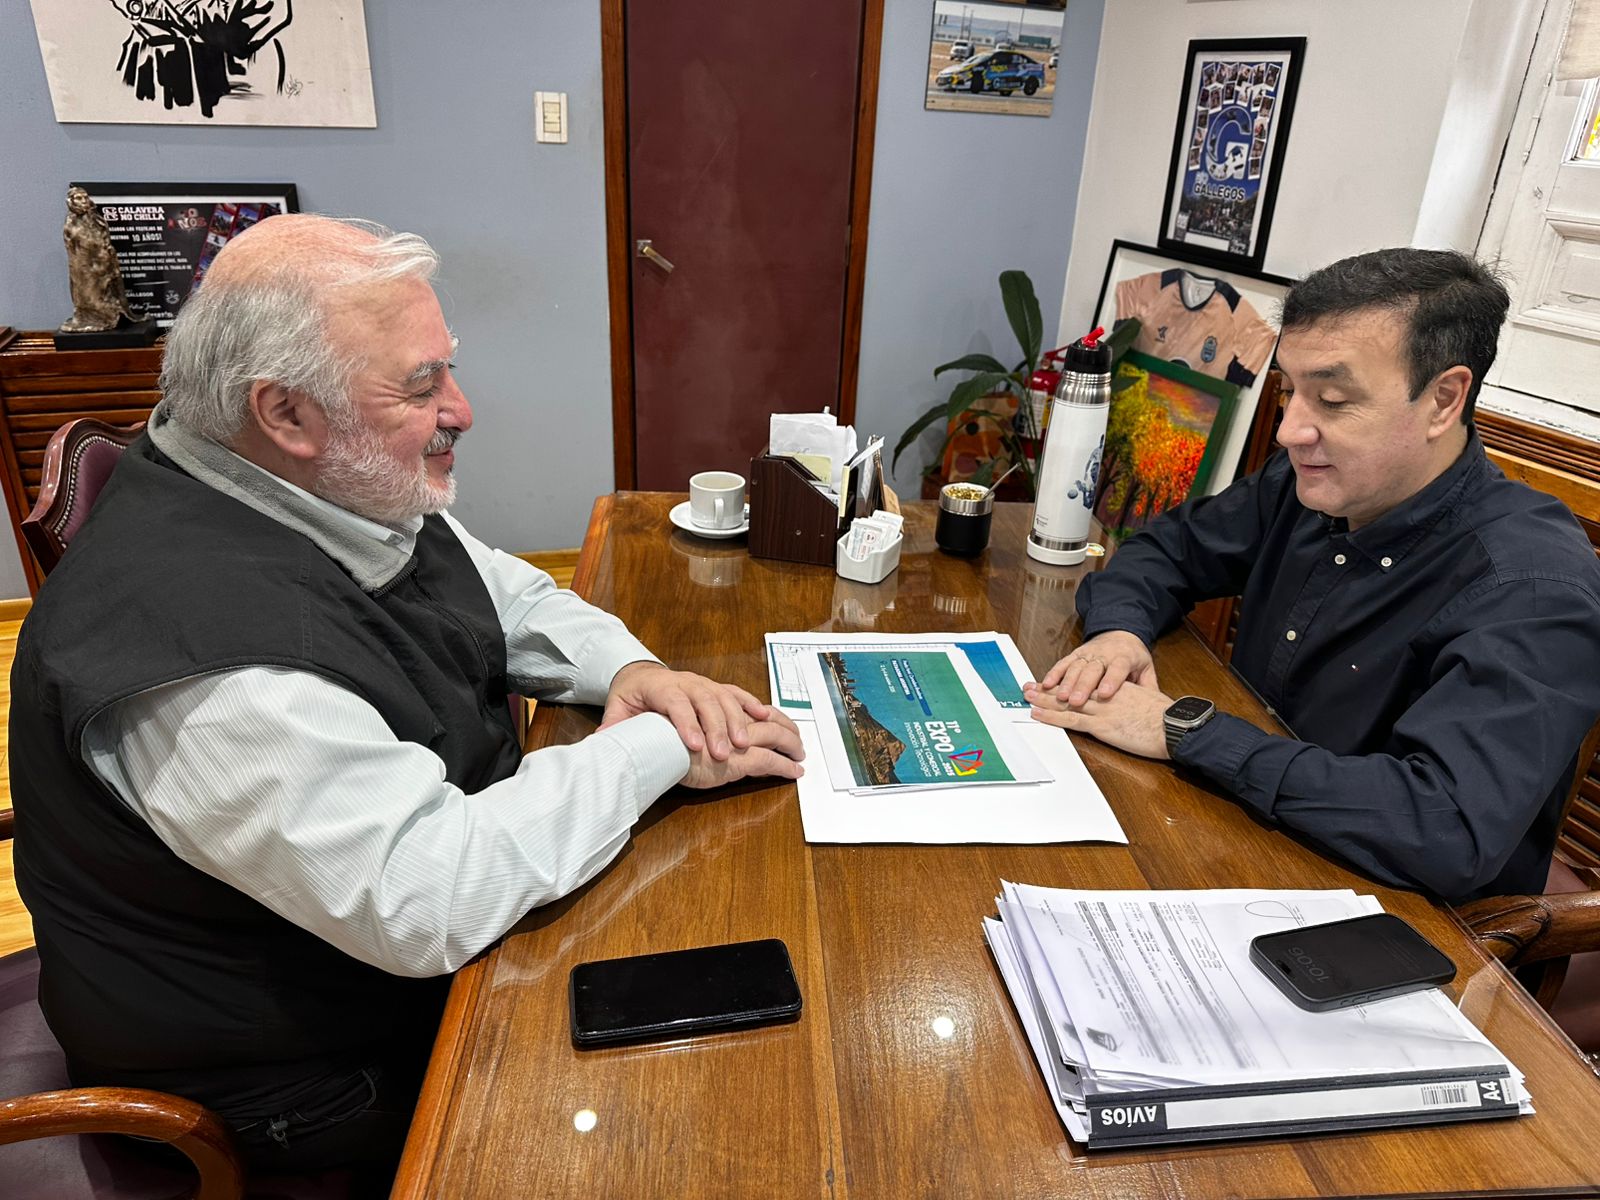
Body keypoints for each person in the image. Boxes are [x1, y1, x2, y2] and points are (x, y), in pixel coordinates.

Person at [10, 214, 805, 1186]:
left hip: (370, 962)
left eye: (447, 369)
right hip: (297, 1089)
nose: (461, 409)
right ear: (286, 413)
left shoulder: (295, 476)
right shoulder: (208, 664)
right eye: (421, 385)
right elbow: (431, 899)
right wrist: (661, 746)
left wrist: (636, 676)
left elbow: (501, 589)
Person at [1024, 248, 1600, 904]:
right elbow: (1170, 547)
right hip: (1245, 832)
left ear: (1443, 400)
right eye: (1289, 391)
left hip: (1403, 915)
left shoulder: (1533, 588)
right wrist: (1120, 632)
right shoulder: (1311, 484)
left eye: (1331, 399)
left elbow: (1444, 827)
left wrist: (1186, 730)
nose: (1289, 431)